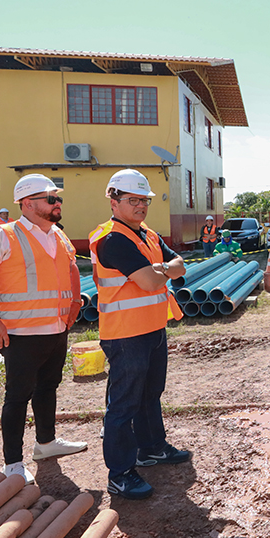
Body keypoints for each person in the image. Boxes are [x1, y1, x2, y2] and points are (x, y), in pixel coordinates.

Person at [0, 174, 87, 484]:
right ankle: (13, 464)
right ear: (28, 203)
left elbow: (72, 267)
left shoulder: (58, 235)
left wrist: (74, 304)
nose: (57, 202)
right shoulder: (2, 235)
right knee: (18, 396)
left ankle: (46, 444)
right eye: (51, 198)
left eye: (57, 198)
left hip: (56, 329)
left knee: (48, 387)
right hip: (19, 334)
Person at [90, 168, 189, 500]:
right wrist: (162, 270)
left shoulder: (145, 234)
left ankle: (152, 449)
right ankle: (119, 473)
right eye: (133, 200)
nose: (140, 206)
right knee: (124, 404)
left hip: (152, 327)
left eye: (144, 200)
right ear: (114, 201)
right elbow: (150, 281)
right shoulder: (112, 239)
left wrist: (158, 269)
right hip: (124, 334)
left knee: (150, 394)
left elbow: (180, 265)